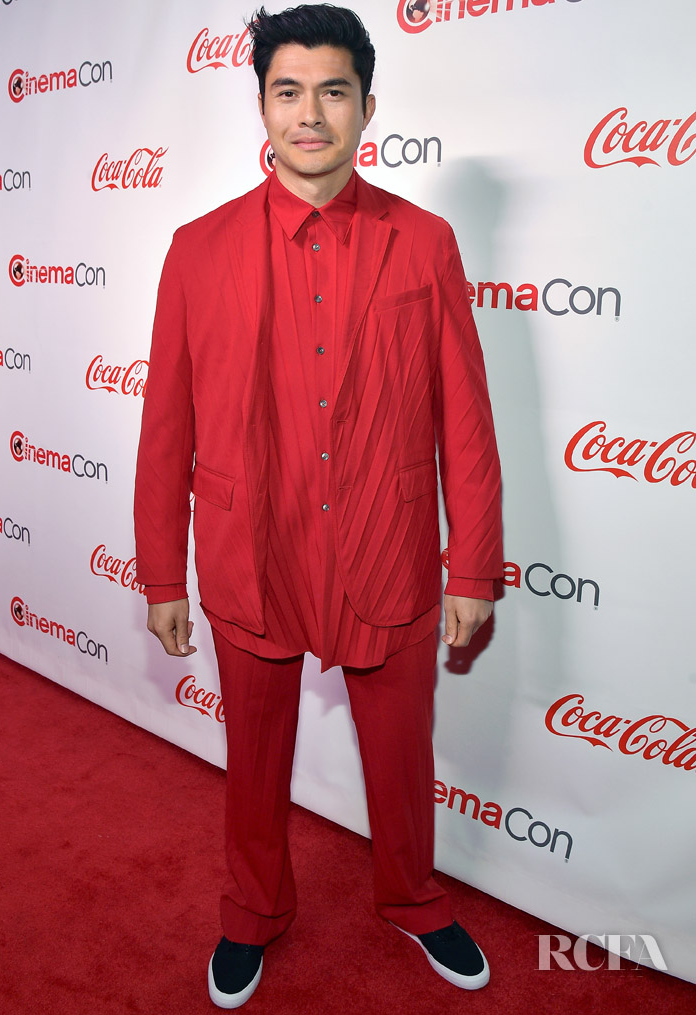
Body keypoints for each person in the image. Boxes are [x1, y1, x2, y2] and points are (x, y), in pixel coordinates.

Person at [134, 5, 502, 1008]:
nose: (311, 114)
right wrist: (162, 571)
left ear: (366, 106)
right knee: (253, 760)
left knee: (401, 750)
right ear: (260, 102)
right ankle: (252, 911)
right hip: (254, 547)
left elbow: (465, 419)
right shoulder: (196, 249)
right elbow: (165, 425)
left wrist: (474, 566)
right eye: (288, 90)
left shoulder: (424, 244)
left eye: (333, 91)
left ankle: (415, 897)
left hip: (386, 550)